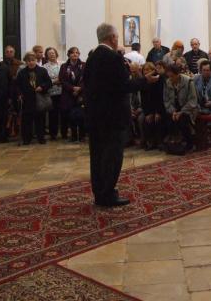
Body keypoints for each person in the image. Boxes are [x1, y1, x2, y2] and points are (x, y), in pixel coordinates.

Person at [84, 23, 153, 207]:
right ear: (112, 38)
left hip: (95, 116)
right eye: (116, 37)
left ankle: (99, 192)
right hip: (113, 117)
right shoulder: (113, 58)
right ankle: (108, 194)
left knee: (97, 157)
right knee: (112, 157)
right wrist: (145, 80)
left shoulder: (92, 57)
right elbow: (123, 86)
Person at [16, 52, 52, 145]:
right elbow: (17, 85)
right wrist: (19, 94)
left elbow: (49, 83)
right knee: (27, 120)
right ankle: (27, 138)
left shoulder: (42, 70)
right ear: (26, 62)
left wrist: (42, 87)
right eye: (29, 61)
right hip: (27, 99)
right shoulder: (22, 73)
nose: (31, 62)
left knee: (40, 119)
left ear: (36, 60)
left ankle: (41, 137)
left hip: (39, 98)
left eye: (33, 60)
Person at [163, 64, 198, 154]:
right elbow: (166, 100)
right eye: (169, 76)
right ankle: (173, 143)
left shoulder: (188, 81)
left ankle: (189, 143)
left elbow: (193, 100)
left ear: (177, 74)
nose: (170, 78)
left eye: (172, 76)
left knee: (183, 120)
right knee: (168, 118)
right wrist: (173, 111)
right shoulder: (167, 82)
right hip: (174, 109)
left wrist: (181, 112)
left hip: (188, 109)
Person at [59, 47, 85, 142]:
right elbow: (62, 80)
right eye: (73, 53)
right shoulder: (64, 66)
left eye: (77, 53)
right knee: (71, 116)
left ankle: (81, 135)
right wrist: (72, 88)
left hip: (81, 93)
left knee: (81, 115)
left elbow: (87, 78)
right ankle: (73, 136)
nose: (75, 54)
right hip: (68, 94)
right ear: (69, 54)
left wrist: (80, 88)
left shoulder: (84, 65)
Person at [139, 62, 166, 150]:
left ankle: (160, 141)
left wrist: (157, 112)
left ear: (153, 70)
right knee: (144, 119)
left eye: (148, 70)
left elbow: (160, 98)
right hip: (149, 109)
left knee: (157, 119)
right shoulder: (143, 82)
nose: (146, 72)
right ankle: (149, 141)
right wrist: (148, 113)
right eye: (144, 70)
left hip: (160, 108)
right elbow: (144, 100)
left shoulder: (158, 80)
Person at [43, 47, 62, 140]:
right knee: (52, 114)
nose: (52, 55)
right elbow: (45, 80)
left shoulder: (62, 64)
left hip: (62, 92)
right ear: (47, 56)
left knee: (62, 112)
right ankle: (53, 133)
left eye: (53, 53)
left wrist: (60, 80)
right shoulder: (44, 67)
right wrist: (54, 81)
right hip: (51, 93)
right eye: (49, 53)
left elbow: (64, 77)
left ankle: (63, 132)